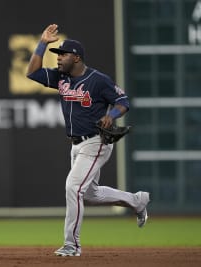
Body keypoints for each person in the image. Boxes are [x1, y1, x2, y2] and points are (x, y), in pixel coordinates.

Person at [26, 24, 150, 257]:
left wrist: (111, 115)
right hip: (76, 144)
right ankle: (137, 201)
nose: (59, 58)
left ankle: (71, 244)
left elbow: (124, 101)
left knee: (73, 187)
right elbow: (32, 72)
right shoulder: (61, 78)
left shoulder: (98, 80)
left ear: (76, 57)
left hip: (96, 142)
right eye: (58, 54)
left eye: (62, 54)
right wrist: (43, 43)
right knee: (90, 193)